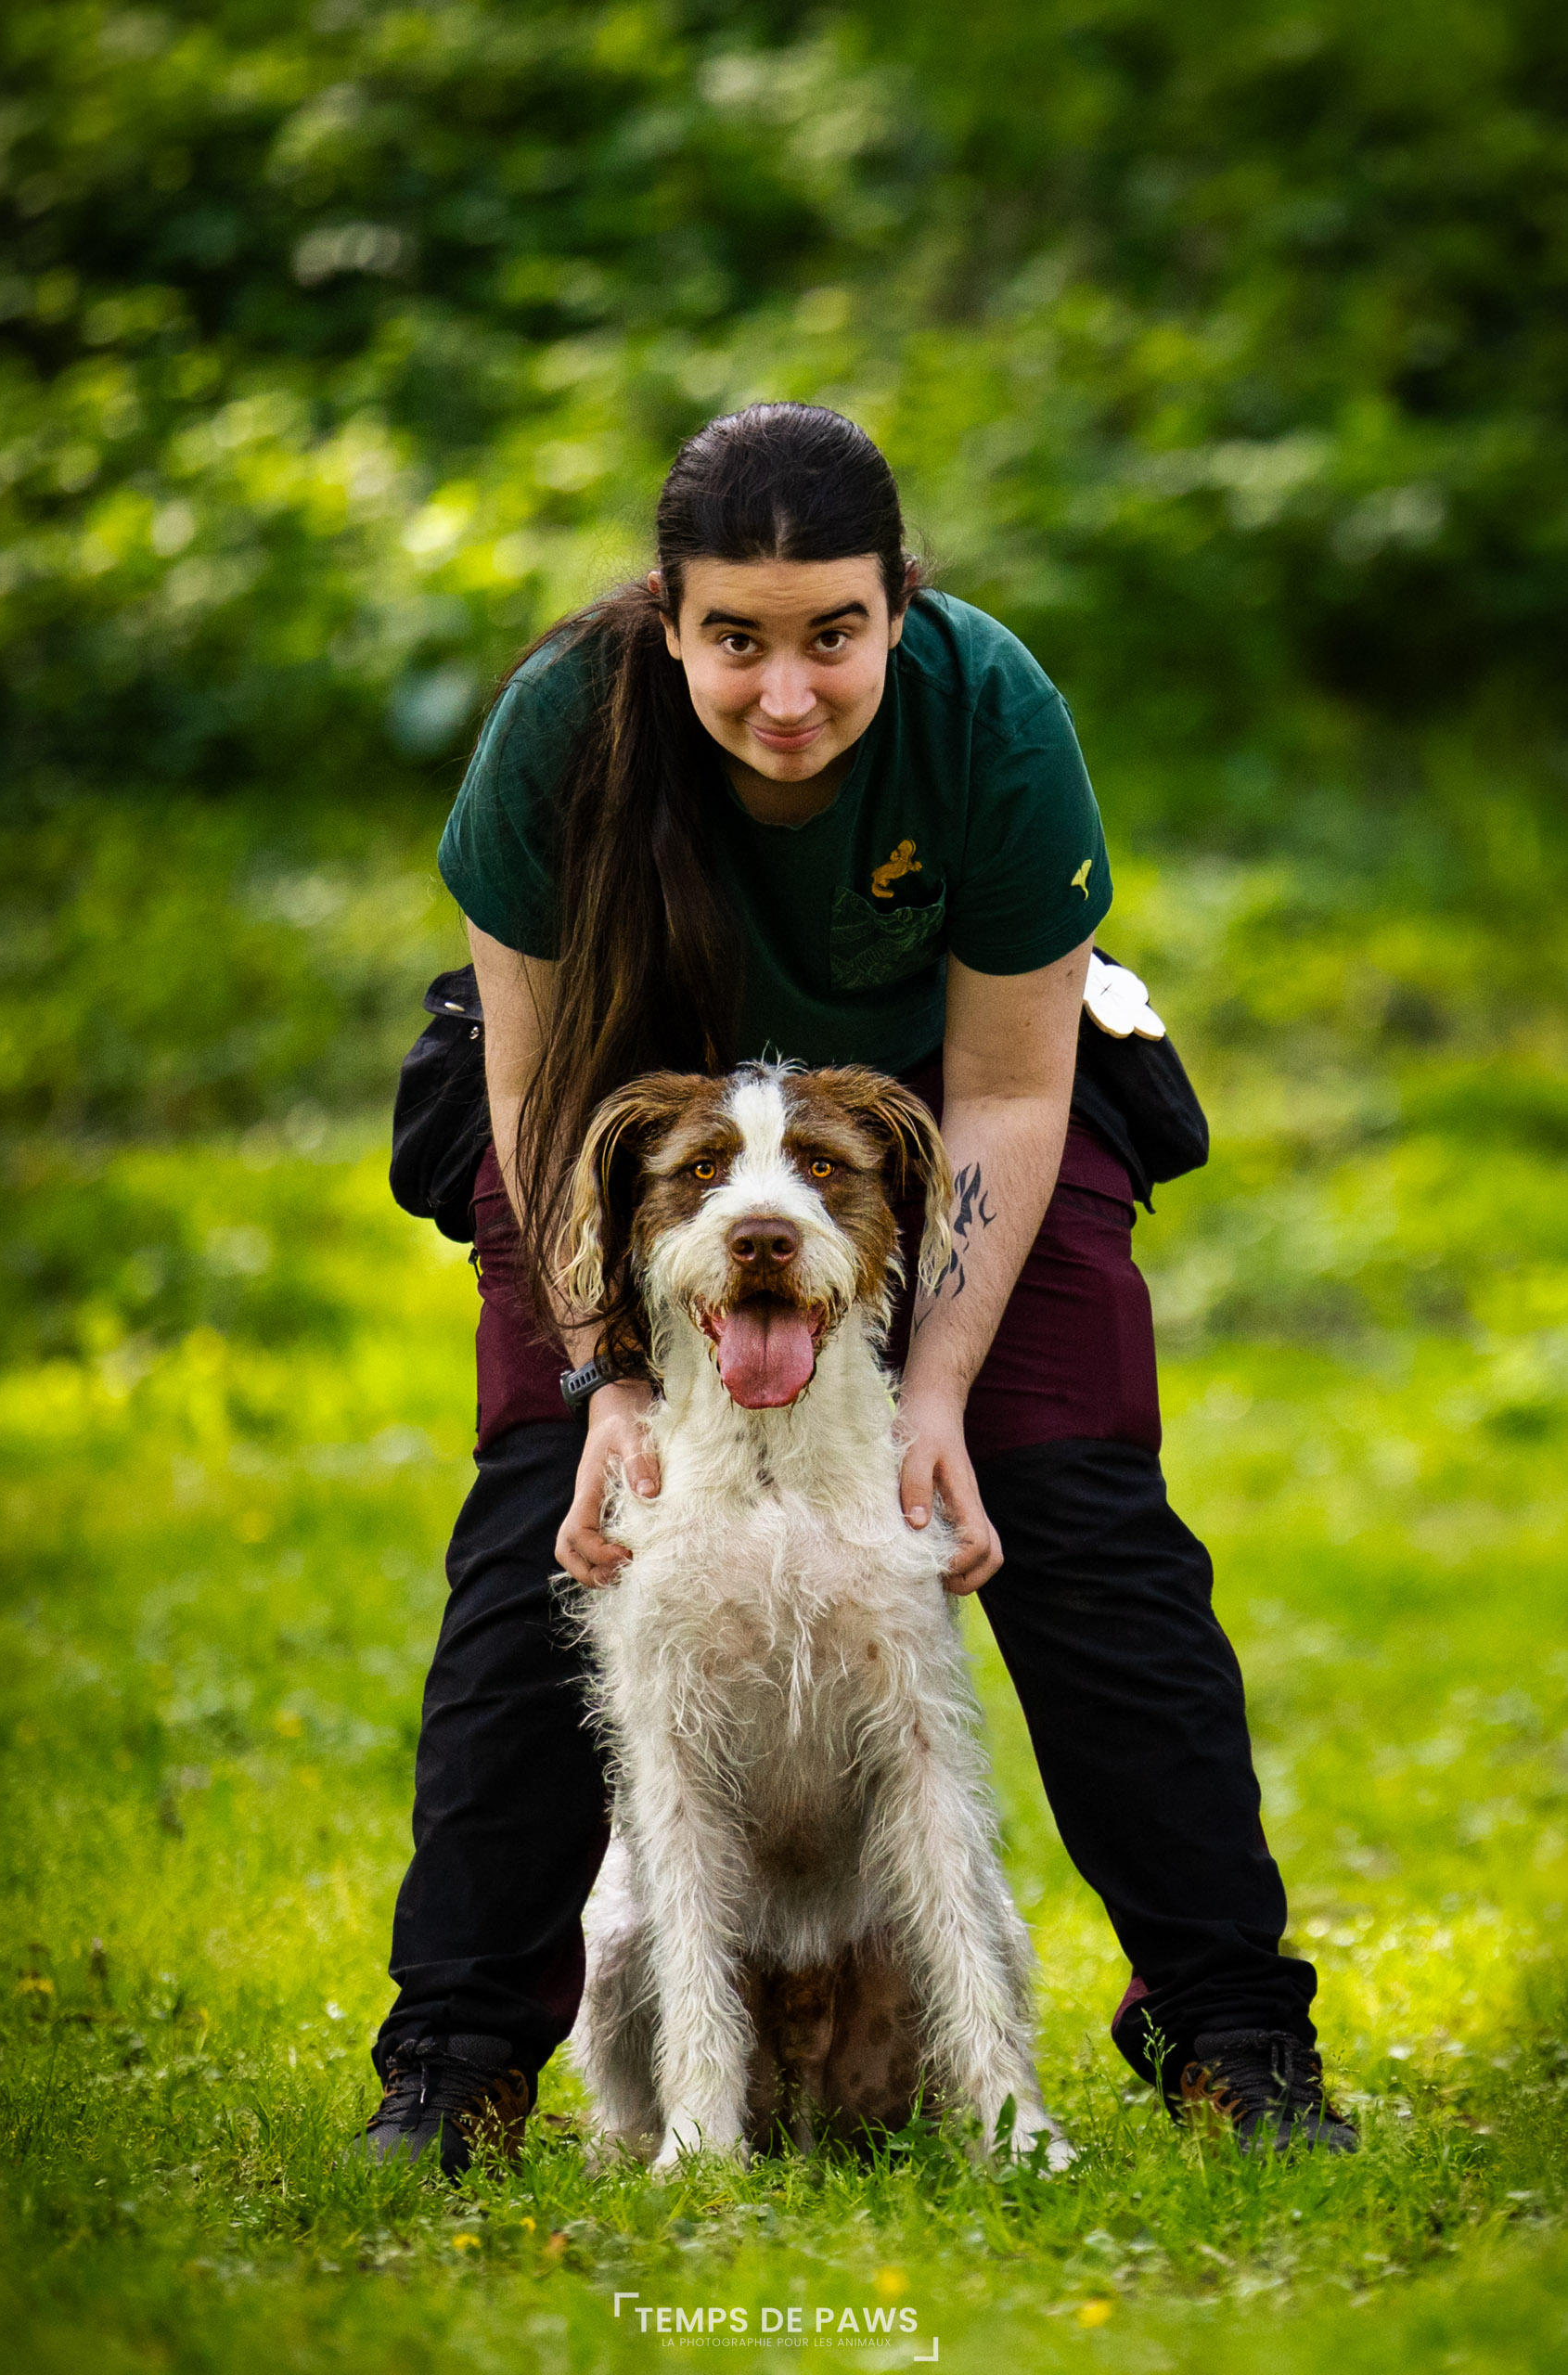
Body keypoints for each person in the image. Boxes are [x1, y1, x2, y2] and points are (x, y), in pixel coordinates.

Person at [359, 403, 1355, 2174]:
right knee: (555, 1527)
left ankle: (1234, 2038)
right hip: (626, 1149)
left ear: (901, 607)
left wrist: (940, 1391)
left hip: (952, 1137)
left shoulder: (993, 716)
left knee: (1080, 1516)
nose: (788, 692)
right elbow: (527, 1094)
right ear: (666, 622)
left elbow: (1020, 1086)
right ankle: (455, 2065)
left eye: (835, 634)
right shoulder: (555, 737)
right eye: (734, 640)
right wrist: (604, 1380)